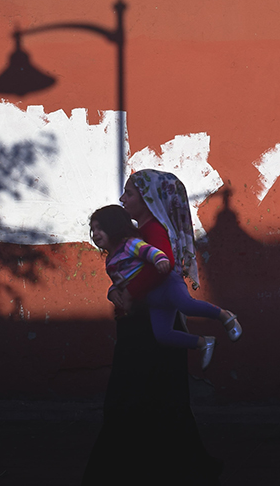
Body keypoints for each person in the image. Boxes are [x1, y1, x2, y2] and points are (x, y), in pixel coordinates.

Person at [83, 170, 226, 485]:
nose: (123, 199)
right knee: (158, 400)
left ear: (149, 198)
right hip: (146, 323)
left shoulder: (154, 230)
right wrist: (117, 292)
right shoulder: (142, 229)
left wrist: (128, 295)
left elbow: (161, 269)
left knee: (136, 399)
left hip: (146, 328)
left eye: (130, 193)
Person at [89, 204, 240, 369]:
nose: (95, 233)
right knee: (162, 335)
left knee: (187, 305)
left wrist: (159, 259)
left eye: (100, 228)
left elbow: (150, 251)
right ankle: (203, 342)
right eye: (93, 229)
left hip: (167, 284)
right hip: (153, 300)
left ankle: (225, 316)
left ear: (113, 227)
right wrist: (112, 292)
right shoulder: (110, 260)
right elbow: (119, 281)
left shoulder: (129, 244)